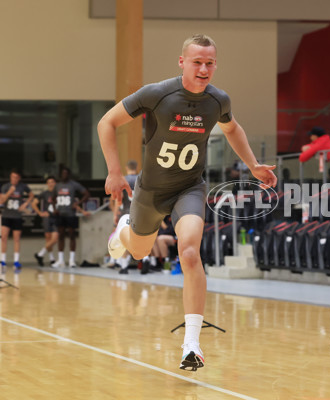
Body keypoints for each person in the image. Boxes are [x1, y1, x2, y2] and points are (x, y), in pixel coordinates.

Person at [97, 33, 277, 371]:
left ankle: (191, 343)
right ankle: (124, 228)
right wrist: (115, 172)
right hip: (150, 192)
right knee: (137, 251)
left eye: (210, 63)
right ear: (182, 62)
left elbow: (233, 128)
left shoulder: (218, 100)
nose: (204, 68)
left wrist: (253, 165)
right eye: (197, 62)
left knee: (190, 252)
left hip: (190, 188)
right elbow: (106, 122)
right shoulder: (156, 94)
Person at [51, 167, 91, 268]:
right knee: (61, 236)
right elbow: (52, 198)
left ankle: (72, 260)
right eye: (63, 173)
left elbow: (86, 194)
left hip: (71, 214)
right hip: (60, 214)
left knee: (72, 235)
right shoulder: (57, 185)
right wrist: (54, 207)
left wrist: (78, 203)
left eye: (66, 173)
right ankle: (60, 260)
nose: (64, 175)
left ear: (68, 174)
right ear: (60, 175)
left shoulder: (73, 184)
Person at [0, 169, 34, 273]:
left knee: (17, 239)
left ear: (19, 178)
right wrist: (9, 192)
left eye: (15, 177)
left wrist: (26, 203)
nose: (13, 179)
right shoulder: (5, 186)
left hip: (17, 216)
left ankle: (16, 260)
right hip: (7, 215)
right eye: (12, 177)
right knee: (4, 237)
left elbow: (31, 194)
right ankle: (3, 260)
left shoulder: (23, 186)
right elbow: (2, 200)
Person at [111, 160, 139, 275]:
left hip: (126, 213)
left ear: (126, 168)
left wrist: (115, 214)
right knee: (141, 238)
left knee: (124, 239)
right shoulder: (141, 179)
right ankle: (147, 259)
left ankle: (124, 266)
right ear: (136, 167)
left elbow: (119, 199)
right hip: (139, 213)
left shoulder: (123, 180)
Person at [32, 176, 59, 266]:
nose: (51, 184)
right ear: (47, 184)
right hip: (47, 218)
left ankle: (40, 254)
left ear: (55, 183)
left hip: (56, 217)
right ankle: (52, 259)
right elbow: (34, 203)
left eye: (52, 182)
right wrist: (40, 213)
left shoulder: (59, 193)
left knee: (55, 238)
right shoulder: (45, 193)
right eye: (49, 182)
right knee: (48, 239)